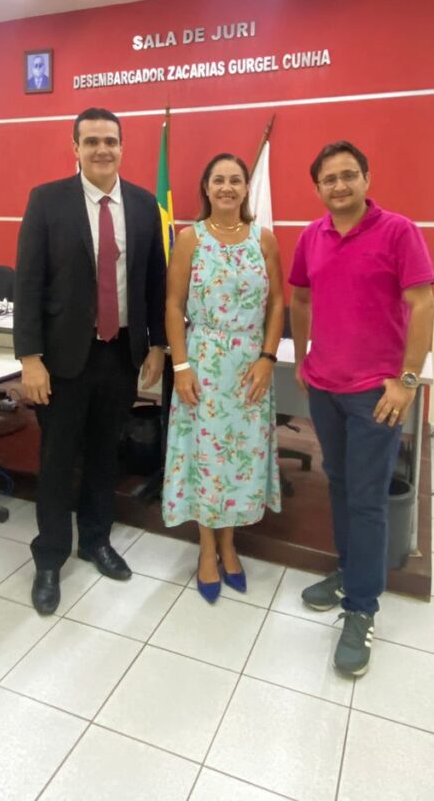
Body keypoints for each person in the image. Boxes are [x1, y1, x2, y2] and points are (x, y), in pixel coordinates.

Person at [289, 140, 434, 675]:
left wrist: (407, 380)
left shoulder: (399, 231)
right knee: (342, 485)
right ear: (318, 187)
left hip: (377, 393)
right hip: (325, 388)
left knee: (369, 498)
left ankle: (362, 609)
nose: (340, 185)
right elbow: (300, 298)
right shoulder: (312, 235)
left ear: (367, 178)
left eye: (349, 175)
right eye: (329, 178)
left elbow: (423, 303)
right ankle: (351, 572)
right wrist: (304, 357)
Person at [14, 107, 166, 614]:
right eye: (92, 140)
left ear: (123, 147)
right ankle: (50, 556)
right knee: (58, 458)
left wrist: (159, 346)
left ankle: (96, 540)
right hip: (60, 359)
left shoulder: (144, 206)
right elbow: (28, 283)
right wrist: (30, 358)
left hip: (120, 353)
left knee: (106, 454)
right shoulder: (47, 201)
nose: (103, 149)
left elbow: (154, 283)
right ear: (74, 147)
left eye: (111, 140)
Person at [162, 153, 284, 602]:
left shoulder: (264, 240)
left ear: (246, 187)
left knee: (239, 461)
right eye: (219, 180)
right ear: (206, 188)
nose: (227, 187)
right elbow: (174, 306)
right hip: (204, 364)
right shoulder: (189, 239)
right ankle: (207, 549)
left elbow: (276, 304)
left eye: (236, 180)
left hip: (249, 367)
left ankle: (231, 543)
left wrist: (268, 358)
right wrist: (181, 367)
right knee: (206, 459)